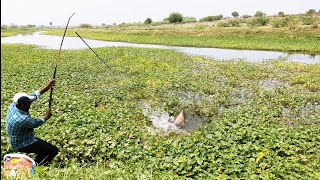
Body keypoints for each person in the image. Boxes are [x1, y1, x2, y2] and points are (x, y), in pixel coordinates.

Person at [5, 79, 59, 166]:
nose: (30, 104)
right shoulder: (22, 119)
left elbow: (34, 96)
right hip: (22, 143)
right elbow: (35, 123)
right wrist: (46, 117)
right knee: (53, 150)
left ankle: (36, 162)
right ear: (23, 105)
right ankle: (38, 168)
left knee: (44, 149)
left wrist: (47, 87)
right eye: (29, 104)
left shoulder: (14, 105)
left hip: (22, 138)